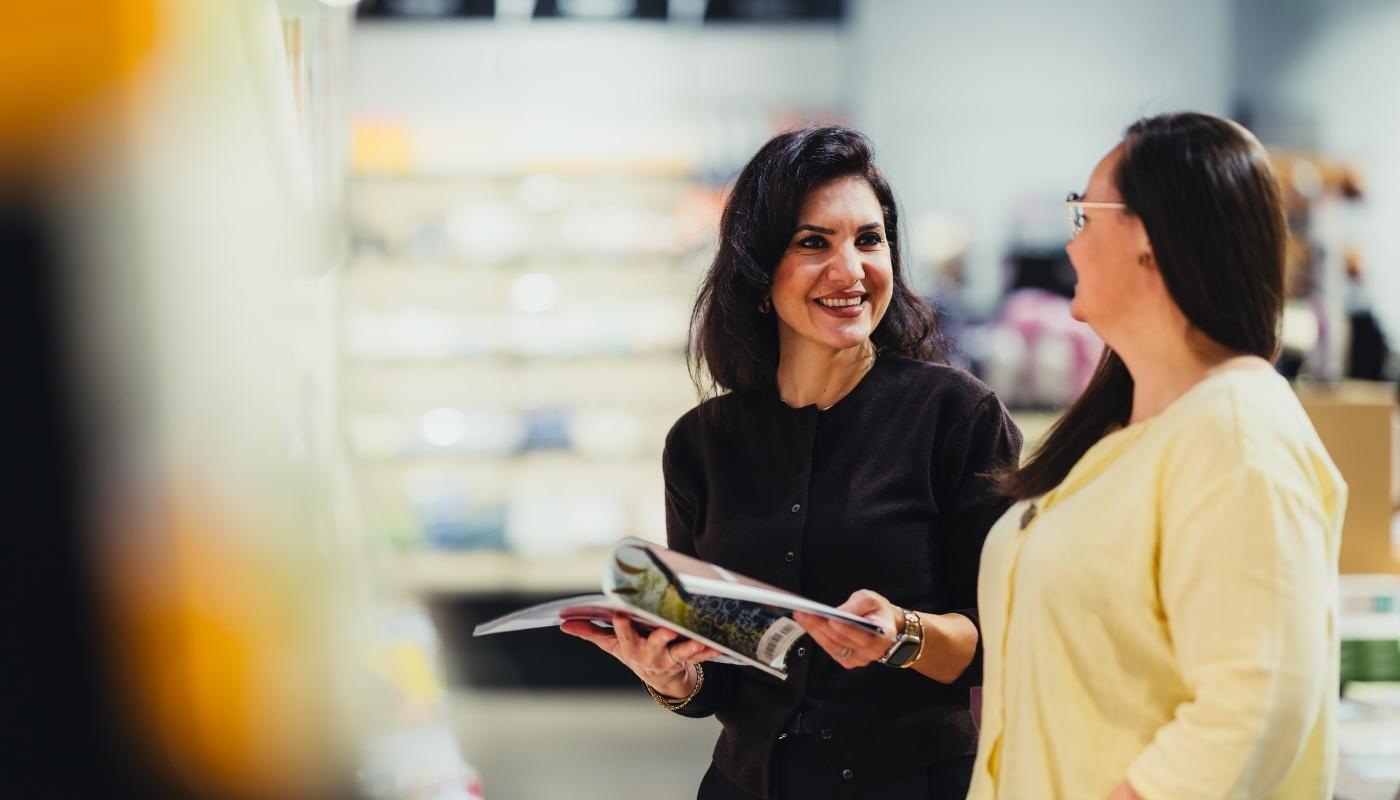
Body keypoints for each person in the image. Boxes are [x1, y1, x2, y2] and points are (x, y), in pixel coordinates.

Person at [563, 125, 1022, 799]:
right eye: (814, 243)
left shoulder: (957, 416)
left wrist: (902, 634)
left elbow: (1003, 638)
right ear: (757, 272)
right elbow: (718, 675)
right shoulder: (701, 444)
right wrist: (671, 676)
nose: (850, 270)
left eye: (869, 240)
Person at [970, 112, 1348, 800]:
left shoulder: (1236, 433)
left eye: (1084, 215)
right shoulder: (1128, 427)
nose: (1071, 244)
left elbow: (1257, 702)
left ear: (1147, 237)